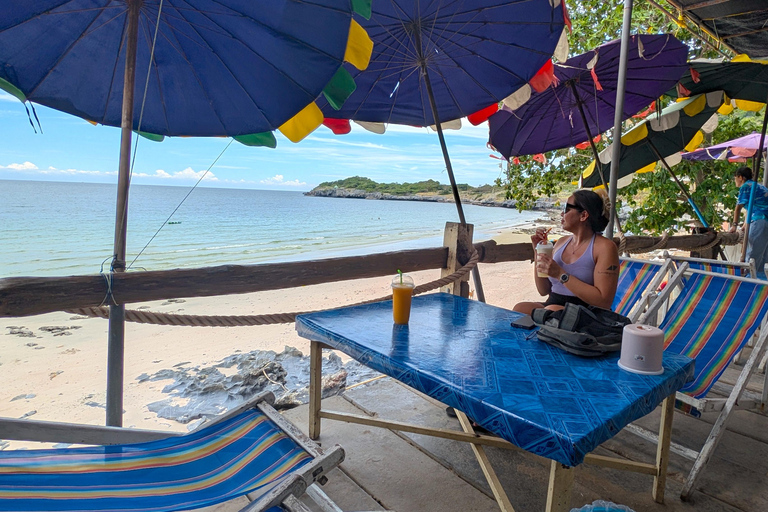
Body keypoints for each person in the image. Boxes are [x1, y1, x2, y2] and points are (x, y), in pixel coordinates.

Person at [514, 189, 619, 315]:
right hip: (553, 306)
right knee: (519, 309)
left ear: (584, 215)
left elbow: (604, 301)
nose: (561, 214)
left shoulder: (605, 247)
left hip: (588, 313)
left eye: (567, 209)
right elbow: (543, 290)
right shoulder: (561, 243)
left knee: (551, 311)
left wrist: (560, 274)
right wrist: (538, 253)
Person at [729, 166, 768, 278]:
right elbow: (754, 206)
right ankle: (761, 281)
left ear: (741, 177)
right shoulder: (759, 186)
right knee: (764, 255)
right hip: (764, 219)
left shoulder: (745, 187)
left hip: (760, 220)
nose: (735, 180)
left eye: (735, 177)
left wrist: (734, 226)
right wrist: (746, 224)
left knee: (752, 255)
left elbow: (738, 208)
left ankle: (750, 280)